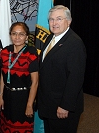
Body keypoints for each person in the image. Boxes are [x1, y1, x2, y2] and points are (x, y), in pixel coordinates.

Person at [38, 5, 86, 133]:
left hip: (62, 108)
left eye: (59, 19)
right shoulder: (51, 37)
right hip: (49, 104)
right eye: (51, 20)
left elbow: (75, 78)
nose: (54, 23)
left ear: (68, 21)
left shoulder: (74, 43)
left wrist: (65, 106)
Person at [0, 22, 39, 132]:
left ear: (26, 36)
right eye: (14, 33)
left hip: (23, 98)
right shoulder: (5, 52)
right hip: (7, 97)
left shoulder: (31, 54)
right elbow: (3, 75)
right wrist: (1, 96)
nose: (17, 37)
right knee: (5, 127)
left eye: (21, 34)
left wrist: (30, 105)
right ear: (10, 35)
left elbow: (35, 82)